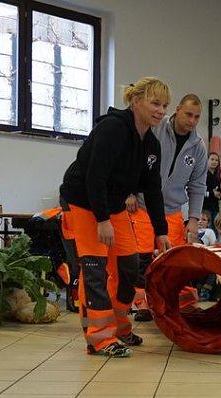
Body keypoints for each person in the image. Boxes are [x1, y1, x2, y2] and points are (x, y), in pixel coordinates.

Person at [59, 77, 172, 358]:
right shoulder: (112, 129)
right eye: (155, 103)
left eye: (165, 106)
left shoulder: (151, 145)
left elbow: (153, 189)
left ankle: (120, 328)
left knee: (129, 265)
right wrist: (102, 220)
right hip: (84, 202)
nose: (160, 110)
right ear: (136, 102)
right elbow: (95, 176)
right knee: (95, 268)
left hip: (113, 205)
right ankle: (98, 338)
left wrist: (161, 231)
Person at [131, 93, 208, 321]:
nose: (192, 120)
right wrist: (131, 193)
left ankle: (186, 303)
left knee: (177, 260)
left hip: (173, 210)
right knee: (142, 258)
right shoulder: (155, 130)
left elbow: (198, 184)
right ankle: (143, 303)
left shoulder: (198, 147)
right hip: (143, 205)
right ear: (177, 110)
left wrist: (193, 219)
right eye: (188, 114)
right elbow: (134, 160)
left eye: (196, 117)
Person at [203, 151, 221, 229]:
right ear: (207, 160)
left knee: (215, 230)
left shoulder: (217, 176)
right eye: (212, 159)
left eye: (216, 160)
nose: (214, 162)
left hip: (215, 207)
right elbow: (199, 193)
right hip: (205, 208)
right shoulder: (203, 175)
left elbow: (218, 189)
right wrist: (212, 194)